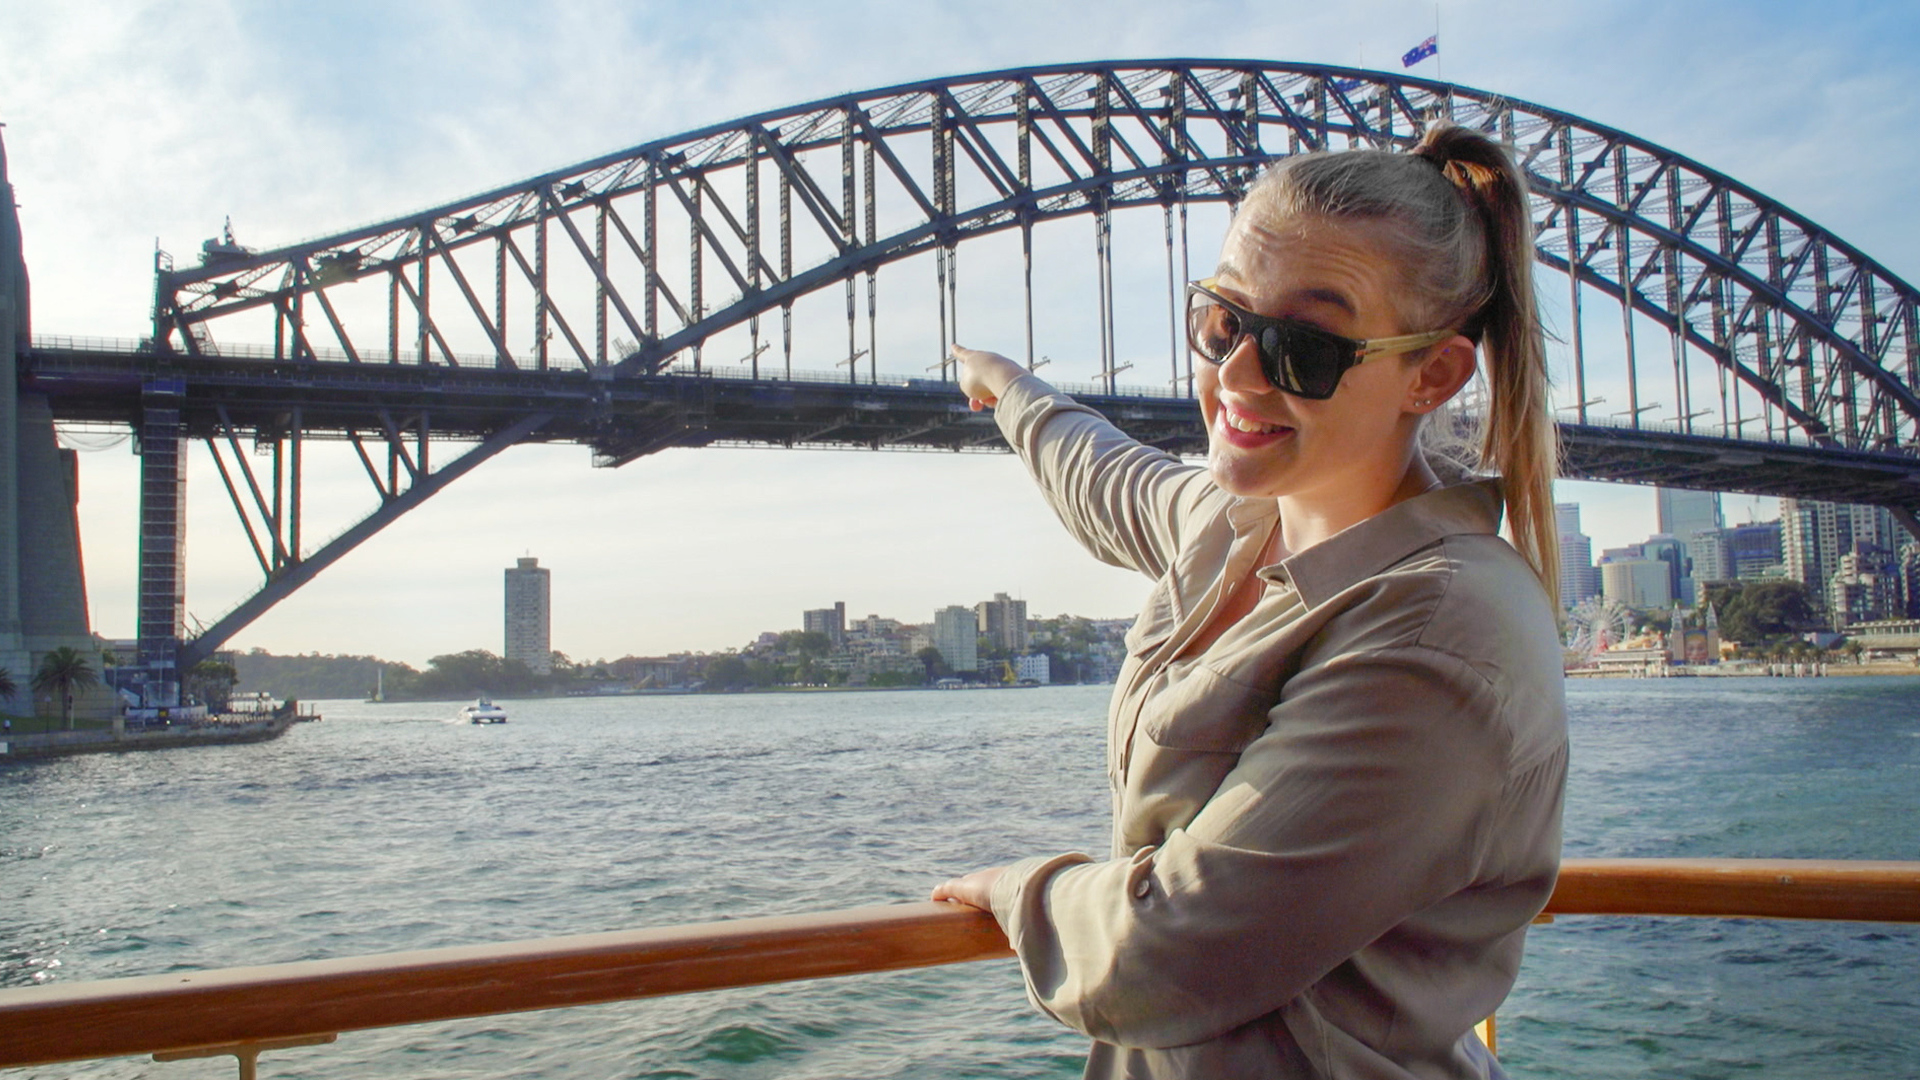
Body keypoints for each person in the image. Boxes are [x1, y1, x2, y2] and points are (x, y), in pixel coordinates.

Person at [930, 123, 1569, 1079]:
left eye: (1304, 347)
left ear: (1432, 374)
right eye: (1223, 319)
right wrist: (1010, 387)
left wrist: (1018, 890)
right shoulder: (1236, 523)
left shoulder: (1437, 633)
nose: (1235, 374)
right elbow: (1104, 473)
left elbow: (1167, 956)